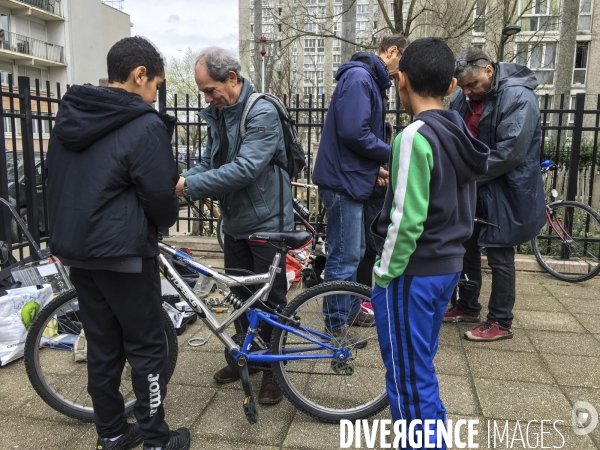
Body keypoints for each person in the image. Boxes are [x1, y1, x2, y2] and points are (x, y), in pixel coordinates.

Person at [46, 37, 190, 450]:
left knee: (102, 346)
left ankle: (110, 434)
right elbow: (161, 196)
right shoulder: (142, 123)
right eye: (156, 86)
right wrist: (163, 221)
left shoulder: (70, 118)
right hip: (125, 253)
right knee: (147, 348)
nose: (155, 97)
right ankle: (156, 440)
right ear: (138, 74)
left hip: (79, 252)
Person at [371, 37, 489, 447]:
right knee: (420, 367)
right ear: (452, 86)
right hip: (448, 267)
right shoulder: (456, 129)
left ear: (401, 80)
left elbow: (405, 220)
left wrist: (382, 273)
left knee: (406, 377)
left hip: (412, 274)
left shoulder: (412, 137)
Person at [175, 47, 293, 405]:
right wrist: (177, 179)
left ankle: (274, 371)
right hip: (236, 224)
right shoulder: (220, 114)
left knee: (270, 301)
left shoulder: (262, 111)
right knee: (239, 298)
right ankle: (248, 360)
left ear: (231, 77)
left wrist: (189, 186)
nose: (208, 99)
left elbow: (245, 169)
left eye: (210, 90)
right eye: (203, 93)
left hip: (267, 223)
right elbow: (209, 163)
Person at [311, 34, 408, 345]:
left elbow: (352, 138)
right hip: (342, 183)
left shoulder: (366, 79)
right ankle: (336, 326)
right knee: (345, 254)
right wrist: (392, 155)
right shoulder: (359, 77)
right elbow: (355, 132)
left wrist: (373, 169)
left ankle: (350, 310)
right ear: (393, 52)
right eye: (402, 63)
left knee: (350, 254)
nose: (401, 73)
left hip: (349, 177)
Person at [445, 47, 546, 341]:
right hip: (475, 186)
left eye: (472, 85)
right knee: (467, 245)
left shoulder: (518, 96)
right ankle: (467, 306)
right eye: (462, 86)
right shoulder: (463, 97)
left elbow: (510, 152)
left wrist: (464, 173)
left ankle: (500, 322)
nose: (467, 92)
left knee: (501, 254)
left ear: (488, 71)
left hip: (505, 189)